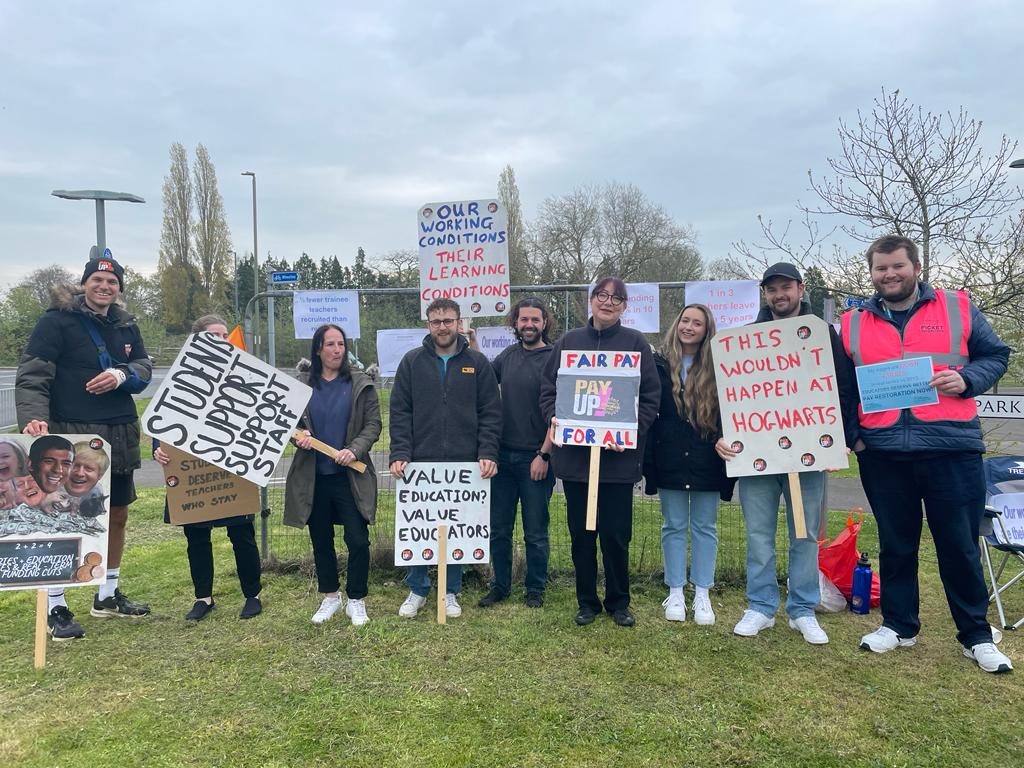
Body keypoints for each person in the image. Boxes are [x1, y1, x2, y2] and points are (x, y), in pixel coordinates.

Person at [841, 235, 1013, 673]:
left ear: (916, 267)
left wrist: (968, 379)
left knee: (958, 545)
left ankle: (975, 634)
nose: (890, 275)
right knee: (896, 544)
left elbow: (996, 355)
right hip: (882, 452)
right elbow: (841, 386)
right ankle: (899, 626)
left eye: (897, 266)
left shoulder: (957, 306)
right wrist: (853, 436)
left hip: (951, 448)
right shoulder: (853, 322)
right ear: (873, 274)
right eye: (881, 269)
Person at [715, 262, 855, 645]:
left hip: (808, 455)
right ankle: (760, 606)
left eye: (785, 288)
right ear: (765, 294)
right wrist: (722, 436)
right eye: (772, 289)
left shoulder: (824, 335)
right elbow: (728, 398)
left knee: (805, 534)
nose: (779, 295)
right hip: (757, 457)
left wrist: (840, 432)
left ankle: (802, 609)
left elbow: (842, 388)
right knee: (758, 536)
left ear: (800, 288)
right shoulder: (746, 341)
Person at [16, 256, 152, 641]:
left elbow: (143, 365)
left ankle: (106, 594)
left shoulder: (126, 324)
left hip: (118, 433)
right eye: (97, 279)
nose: (104, 286)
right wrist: (33, 418)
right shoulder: (55, 321)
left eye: (111, 281)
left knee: (117, 516)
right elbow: (33, 376)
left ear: (119, 288)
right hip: (72, 433)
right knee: (63, 517)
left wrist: (122, 373)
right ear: (84, 283)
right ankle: (56, 603)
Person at [539, 278, 660, 627]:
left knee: (616, 536)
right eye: (602, 296)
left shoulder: (635, 343)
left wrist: (631, 432)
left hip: (618, 462)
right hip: (577, 463)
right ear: (591, 301)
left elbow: (650, 396)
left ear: (624, 306)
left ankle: (619, 602)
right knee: (582, 535)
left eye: (616, 298)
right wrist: (556, 420)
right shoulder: (568, 342)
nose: (608, 303)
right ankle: (586, 602)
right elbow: (549, 389)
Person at [389, 298, 501, 619]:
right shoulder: (411, 362)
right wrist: (399, 452)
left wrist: (487, 452)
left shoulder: (477, 364)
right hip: (420, 464)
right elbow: (399, 412)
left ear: (458, 323)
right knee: (419, 526)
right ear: (428, 325)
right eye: (436, 321)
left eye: (448, 321)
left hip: (465, 463)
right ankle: (418, 588)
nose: (442, 327)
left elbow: (491, 413)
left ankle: (450, 591)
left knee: (456, 527)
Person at [154, 316, 264, 622]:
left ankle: (252, 595)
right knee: (197, 537)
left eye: (223, 335)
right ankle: (203, 597)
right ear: (197, 340)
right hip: (193, 474)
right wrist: (158, 450)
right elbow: (161, 419)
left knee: (242, 534)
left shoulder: (244, 374)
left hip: (232, 470)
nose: (221, 339)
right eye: (213, 335)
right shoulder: (180, 378)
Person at [284, 323, 382, 626]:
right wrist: (297, 436)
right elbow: (288, 424)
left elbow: (373, 425)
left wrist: (354, 449)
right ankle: (330, 597)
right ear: (318, 349)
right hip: (314, 477)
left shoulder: (360, 383)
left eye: (341, 344)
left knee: (358, 540)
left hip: (350, 475)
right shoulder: (301, 386)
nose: (337, 350)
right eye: (330, 344)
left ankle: (356, 599)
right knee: (321, 539)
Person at [643, 304, 733, 625]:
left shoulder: (721, 365)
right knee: (674, 526)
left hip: (708, 457)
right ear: (676, 323)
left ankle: (703, 593)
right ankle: (676, 590)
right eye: (685, 320)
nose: (689, 327)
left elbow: (733, 409)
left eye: (697, 323)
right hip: (669, 457)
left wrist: (725, 437)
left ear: (707, 329)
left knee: (705, 527)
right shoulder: (658, 362)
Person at [478, 298, 555, 610]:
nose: (529, 325)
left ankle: (535, 588)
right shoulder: (508, 356)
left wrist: (544, 455)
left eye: (535, 320)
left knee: (536, 531)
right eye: (523, 320)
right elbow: (482, 380)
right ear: (515, 322)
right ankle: (500, 586)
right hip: (502, 457)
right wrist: (471, 344)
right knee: (499, 529)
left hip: (536, 458)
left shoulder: (554, 357)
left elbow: (559, 413)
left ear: (544, 323)